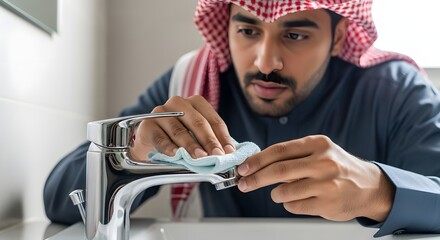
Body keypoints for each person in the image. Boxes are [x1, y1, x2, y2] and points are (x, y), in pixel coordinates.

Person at [44, 0, 440, 237]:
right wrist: (137, 150)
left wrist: (381, 191)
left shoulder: (395, 89)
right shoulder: (194, 80)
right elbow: (60, 201)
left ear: (338, 38)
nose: (266, 62)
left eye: (295, 35)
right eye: (249, 30)